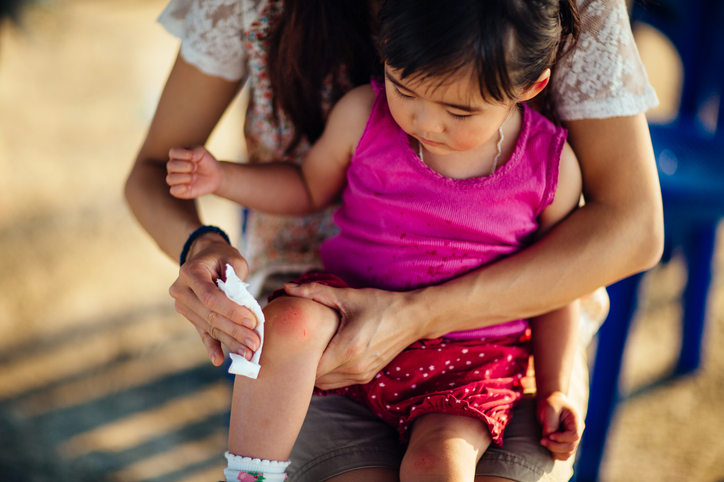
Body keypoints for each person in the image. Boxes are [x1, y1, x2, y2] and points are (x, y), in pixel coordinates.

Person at [124, 0, 663, 480]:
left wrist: (555, 386)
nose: (423, 122)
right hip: (346, 305)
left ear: (531, 86)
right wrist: (219, 192)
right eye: (405, 90)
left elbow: (571, 276)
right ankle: (250, 475)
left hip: (472, 356)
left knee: (439, 464)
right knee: (288, 322)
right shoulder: (367, 112)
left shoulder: (550, 167)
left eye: (459, 112)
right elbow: (308, 185)